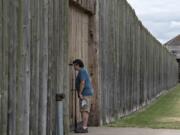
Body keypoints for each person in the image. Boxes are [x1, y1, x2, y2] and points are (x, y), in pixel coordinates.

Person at [73, 59, 94, 133]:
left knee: (84, 110)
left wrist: (80, 93)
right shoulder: (84, 71)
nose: (74, 67)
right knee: (85, 110)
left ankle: (84, 128)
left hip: (84, 94)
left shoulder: (81, 71)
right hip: (87, 93)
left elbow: (82, 82)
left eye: (74, 65)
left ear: (78, 65)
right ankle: (84, 127)